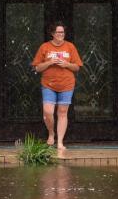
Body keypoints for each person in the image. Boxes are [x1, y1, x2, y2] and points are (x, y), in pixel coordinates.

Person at [31, 22, 82, 151]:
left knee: (62, 113)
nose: (61, 35)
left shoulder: (70, 47)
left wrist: (66, 64)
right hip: (48, 84)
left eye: (62, 33)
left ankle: (59, 142)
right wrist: (49, 62)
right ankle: (51, 133)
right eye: (58, 32)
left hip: (67, 84)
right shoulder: (45, 47)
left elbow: (77, 67)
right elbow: (37, 68)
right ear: (52, 34)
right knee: (48, 112)